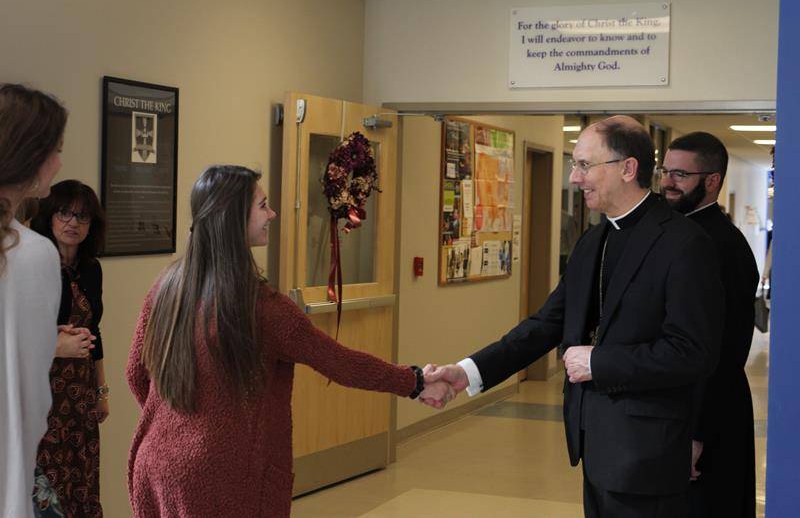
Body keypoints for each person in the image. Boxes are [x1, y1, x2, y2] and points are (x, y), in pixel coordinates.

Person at [424, 116, 723, 517]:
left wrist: (599, 362)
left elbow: (692, 352)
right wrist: (467, 372)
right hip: (595, 446)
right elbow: (546, 324)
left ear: (627, 168)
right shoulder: (593, 240)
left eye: (584, 165)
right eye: (574, 164)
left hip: (648, 452)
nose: (574, 178)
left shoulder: (685, 243)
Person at [126, 165, 452, 517]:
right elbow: (340, 363)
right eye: (262, 206)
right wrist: (415, 381)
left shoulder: (165, 289)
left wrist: (180, 422)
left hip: (155, 463)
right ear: (234, 218)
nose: (272, 214)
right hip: (219, 476)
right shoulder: (262, 308)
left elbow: (135, 373)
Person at [0, 84, 92, 518]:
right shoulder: (32, 253)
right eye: (55, 150)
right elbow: (30, 398)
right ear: (30, 155)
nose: (58, 162)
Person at [661, 132, 758, 518]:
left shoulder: (722, 246)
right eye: (665, 171)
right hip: (679, 409)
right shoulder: (676, 232)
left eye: (680, 175)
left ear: (713, 181)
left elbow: (726, 348)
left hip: (711, 416)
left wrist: (697, 434)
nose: (668, 182)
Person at [30, 180, 108, 517]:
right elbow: (19, 334)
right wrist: (56, 346)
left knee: (82, 474)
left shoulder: (91, 269)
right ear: (49, 216)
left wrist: (101, 391)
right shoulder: (34, 266)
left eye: (82, 216)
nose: (73, 223)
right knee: (48, 478)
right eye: (64, 213)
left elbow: (95, 333)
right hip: (43, 388)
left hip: (80, 391)